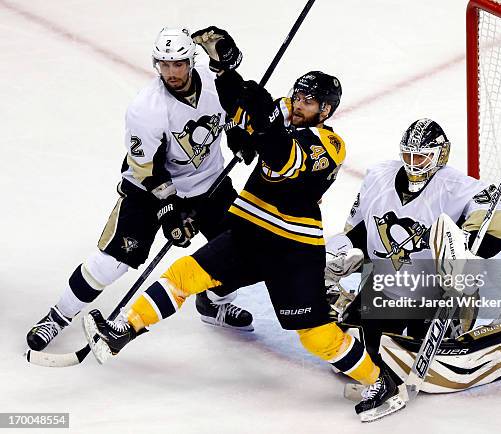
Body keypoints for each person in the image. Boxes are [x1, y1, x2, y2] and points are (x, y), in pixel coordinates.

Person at [81, 26, 406, 423]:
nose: (299, 104)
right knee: (184, 274)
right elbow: (243, 107)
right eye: (298, 96)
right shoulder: (284, 112)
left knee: (316, 336)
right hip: (249, 230)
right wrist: (226, 72)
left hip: (293, 247)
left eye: (310, 101)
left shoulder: (330, 146)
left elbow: (282, 154)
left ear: (326, 110)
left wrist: (262, 123)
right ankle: (123, 331)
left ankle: (380, 381)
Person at [26, 27, 254, 352]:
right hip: (148, 190)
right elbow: (146, 168)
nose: (171, 72)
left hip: (209, 185)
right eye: (164, 64)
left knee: (242, 249)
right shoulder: (146, 109)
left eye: (178, 64)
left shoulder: (215, 84)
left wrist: (239, 136)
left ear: (190, 62)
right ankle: (58, 316)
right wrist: (170, 212)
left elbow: (235, 113)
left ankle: (213, 303)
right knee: (112, 262)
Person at [323, 118, 501, 392]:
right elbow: (358, 228)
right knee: (352, 351)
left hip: (437, 292)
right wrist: (349, 249)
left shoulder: (456, 185)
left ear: (441, 155)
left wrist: (467, 241)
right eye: (409, 155)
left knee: (423, 356)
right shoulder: (378, 176)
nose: (415, 163)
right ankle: (348, 305)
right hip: (386, 285)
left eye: (423, 156)